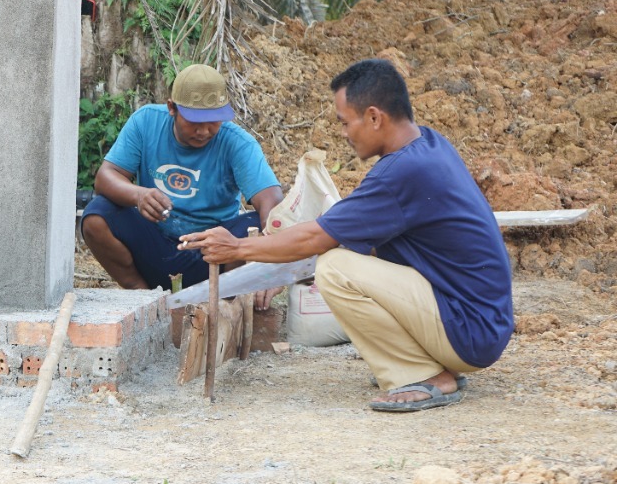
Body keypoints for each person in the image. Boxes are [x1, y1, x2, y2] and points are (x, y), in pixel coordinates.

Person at [182, 59, 514, 412]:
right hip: (480, 320)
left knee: (335, 269)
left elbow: (316, 238)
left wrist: (236, 246)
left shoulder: (401, 173)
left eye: (345, 122)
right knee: (350, 255)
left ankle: (425, 375)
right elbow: (341, 232)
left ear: (374, 117)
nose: (343, 133)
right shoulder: (428, 145)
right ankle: (424, 364)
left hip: (471, 331)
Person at [80, 64, 283, 294]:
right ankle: (141, 296)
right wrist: (139, 195)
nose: (204, 131)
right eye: (195, 122)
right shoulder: (146, 122)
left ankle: (225, 298)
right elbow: (106, 176)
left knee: (257, 225)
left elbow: (272, 201)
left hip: (213, 254)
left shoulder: (237, 143)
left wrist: (271, 270)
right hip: (155, 245)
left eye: (214, 121)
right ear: (172, 108)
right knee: (97, 215)